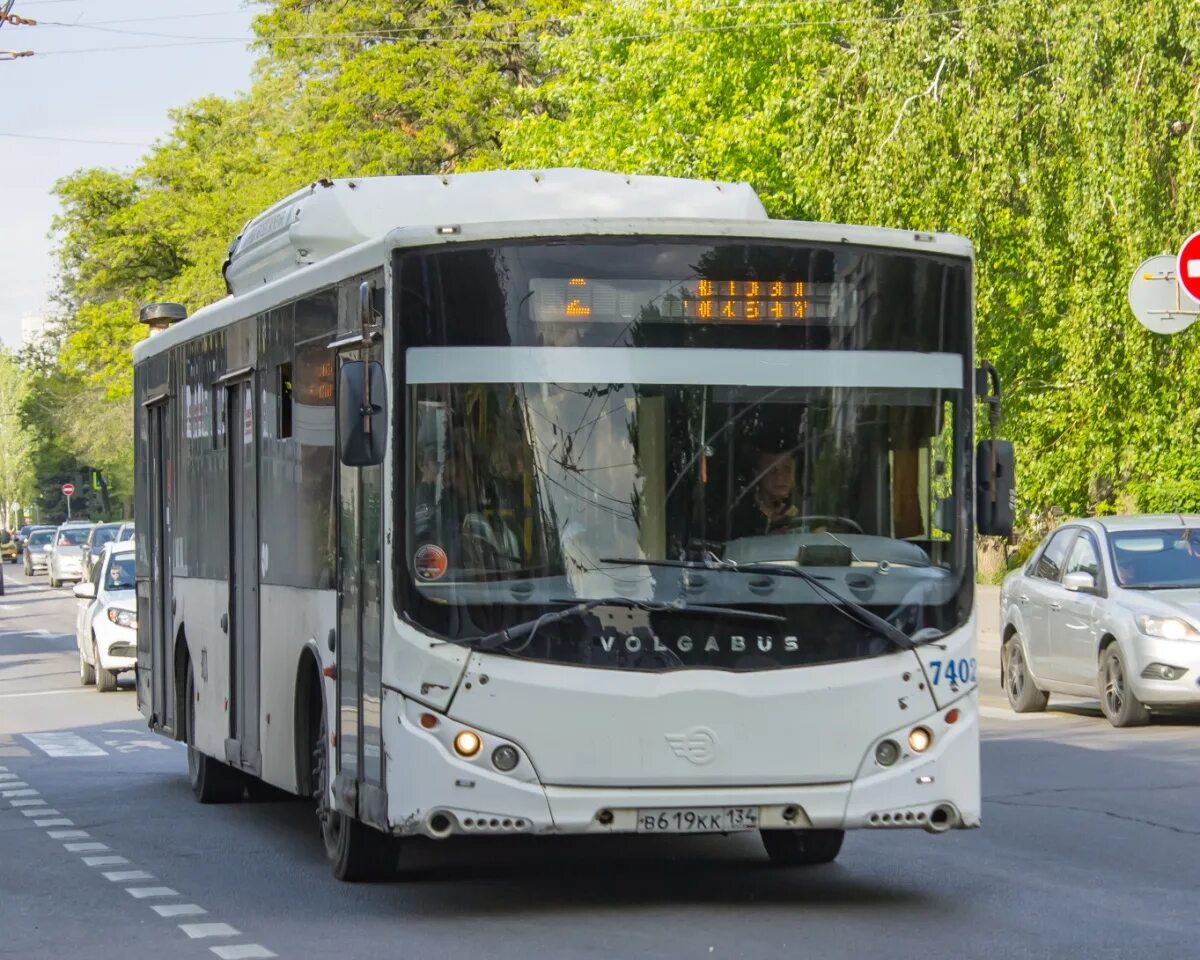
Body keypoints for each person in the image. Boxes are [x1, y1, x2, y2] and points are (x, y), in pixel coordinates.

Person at [728, 445, 801, 538]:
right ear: (757, 473)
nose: (780, 477)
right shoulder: (738, 518)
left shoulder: (802, 514)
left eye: (787, 469)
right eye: (771, 469)